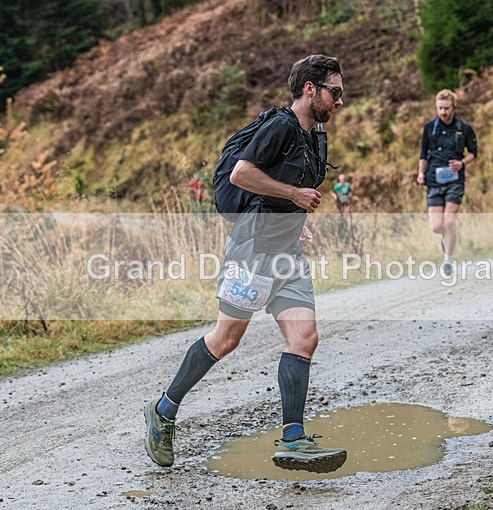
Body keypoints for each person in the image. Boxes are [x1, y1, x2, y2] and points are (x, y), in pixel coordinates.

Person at [144, 54, 348, 474]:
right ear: (310, 88)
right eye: (335, 91)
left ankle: (293, 439)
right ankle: (163, 410)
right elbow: (241, 174)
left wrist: (297, 222)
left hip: (286, 252)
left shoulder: (313, 136)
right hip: (252, 251)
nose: (340, 101)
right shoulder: (280, 126)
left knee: (304, 338)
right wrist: (293, 196)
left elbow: (279, 189)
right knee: (225, 340)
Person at [417, 89, 477, 276]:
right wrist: (420, 173)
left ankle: (448, 260)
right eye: (440, 108)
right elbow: (423, 153)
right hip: (434, 179)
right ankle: (447, 237)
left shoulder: (464, 128)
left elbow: (473, 153)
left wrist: (462, 163)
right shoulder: (429, 127)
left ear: (453, 107)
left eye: (446, 108)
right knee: (437, 226)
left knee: (449, 221)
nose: (443, 112)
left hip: (454, 180)